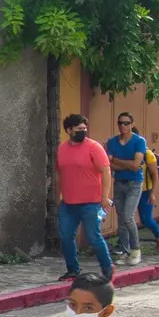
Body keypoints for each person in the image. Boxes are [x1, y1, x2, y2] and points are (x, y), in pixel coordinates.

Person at [55, 113, 115, 281]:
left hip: (92, 203)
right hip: (68, 203)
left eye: (84, 128)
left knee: (93, 237)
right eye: (79, 128)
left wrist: (104, 197)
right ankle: (73, 270)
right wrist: (58, 196)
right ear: (69, 130)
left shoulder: (94, 147)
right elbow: (60, 174)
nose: (83, 131)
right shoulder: (62, 149)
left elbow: (106, 171)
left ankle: (107, 267)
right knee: (66, 236)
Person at [105, 112, 147, 265]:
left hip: (134, 183)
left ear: (132, 124)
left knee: (128, 217)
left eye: (126, 123)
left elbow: (136, 165)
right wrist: (127, 164)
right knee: (121, 218)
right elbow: (109, 164)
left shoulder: (139, 141)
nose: (123, 126)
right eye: (120, 123)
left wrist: (117, 161)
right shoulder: (112, 142)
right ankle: (125, 251)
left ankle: (135, 251)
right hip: (119, 182)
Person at [130, 127, 159, 251]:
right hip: (130, 189)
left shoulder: (147, 154)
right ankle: (124, 244)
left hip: (145, 191)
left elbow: (155, 175)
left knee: (146, 219)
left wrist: (152, 194)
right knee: (126, 218)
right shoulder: (125, 152)